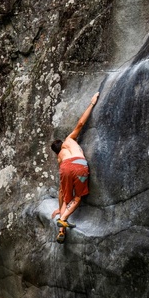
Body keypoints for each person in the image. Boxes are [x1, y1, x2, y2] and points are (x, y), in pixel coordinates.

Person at [50, 92, 99, 243]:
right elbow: (80, 124)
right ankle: (64, 218)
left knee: (68, 197)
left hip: (66, 168)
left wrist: (59, 208)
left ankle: (61, 229)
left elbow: (61, 191)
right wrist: (92, 103)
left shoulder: (60, 158)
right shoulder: (69, 139)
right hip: (79, 165)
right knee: (78, 197)